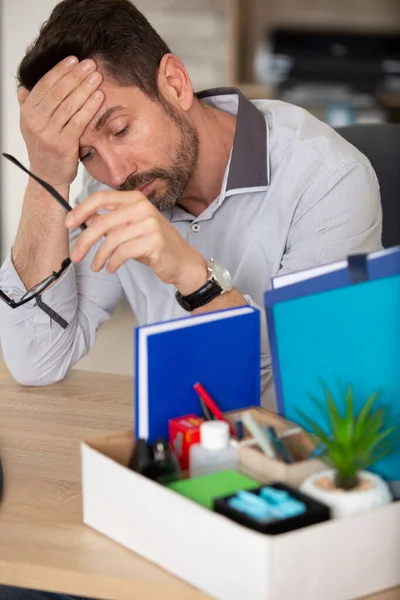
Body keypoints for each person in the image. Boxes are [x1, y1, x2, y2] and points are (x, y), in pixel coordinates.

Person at [0, 0, 384, 597]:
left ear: (175, 83)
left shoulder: (327, 179)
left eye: (121, 128)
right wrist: (47, 173)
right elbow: (35, 358)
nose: (115, 168)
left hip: (283, 516)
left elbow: (297, 406)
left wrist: (190, 272)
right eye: (86, 154)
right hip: (174, 481)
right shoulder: (116, 184)